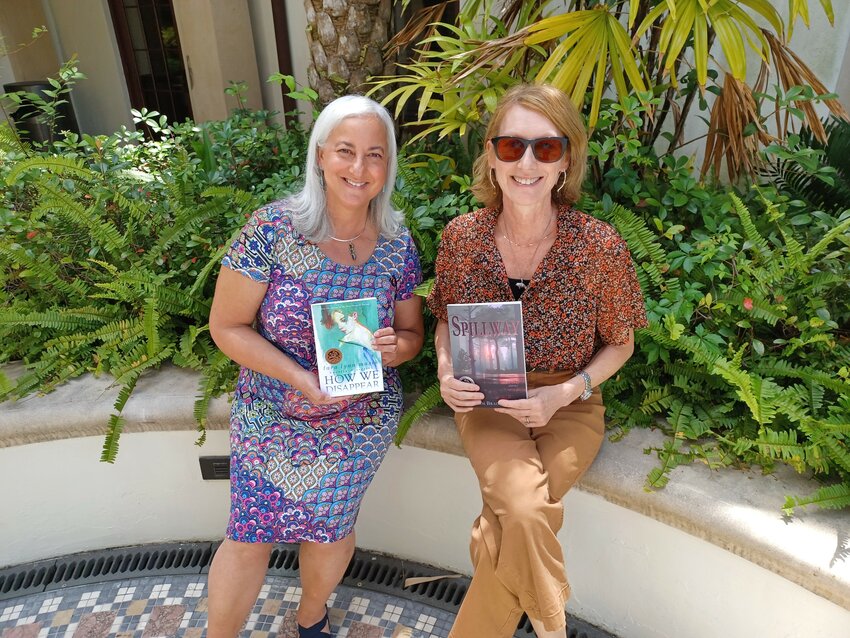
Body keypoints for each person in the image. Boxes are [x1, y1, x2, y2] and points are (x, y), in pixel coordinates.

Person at [426, 84, 647, 638]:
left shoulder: (598, 245)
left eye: (545, 149)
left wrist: (563, 393)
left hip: (568, 403)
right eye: (511, 147)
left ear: (565, 160)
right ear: (492, 156)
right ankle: (552, 624)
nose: (527, 162)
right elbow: (445, 319)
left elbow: (621, 341)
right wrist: (446, 371)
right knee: (522, 511)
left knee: (495, 532)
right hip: (488, 403)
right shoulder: (463, 238)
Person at [207, 95, 424, 638]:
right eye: (346, 151)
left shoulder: (397, 245)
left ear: (387, 167)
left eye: (374, 155)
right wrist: (299, 377)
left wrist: (397, 348)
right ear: (321, 155)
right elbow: (226, 327)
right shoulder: (273, 229)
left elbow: (413, 334)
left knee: (330, 529)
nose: (359, 168)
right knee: (249, 533)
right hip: (272, 409)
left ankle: (311, 618)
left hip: (359, 417)